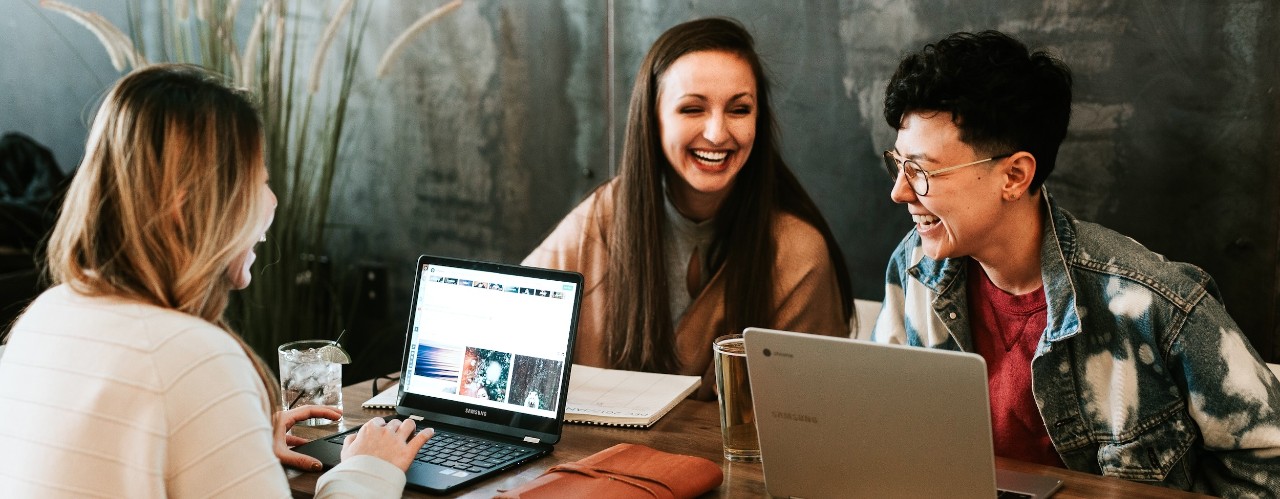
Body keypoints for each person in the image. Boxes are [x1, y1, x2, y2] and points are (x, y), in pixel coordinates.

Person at [871, 31, 1280, 495]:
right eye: (898, 164)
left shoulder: (1154, 305)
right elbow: (882, 422)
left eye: (921, 171)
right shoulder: (914, 266)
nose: (899, 192)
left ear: (1014, 175)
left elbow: (1270, 465)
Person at [0, 64, 433, 497]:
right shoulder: (192, 357)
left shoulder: (44, 316)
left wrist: (234, 440)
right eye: (258, 182)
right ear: (189, 207)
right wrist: (367, 469)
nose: (272, 201)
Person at [523, 17, 852, 400]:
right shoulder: (602, 217)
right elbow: (508, 322)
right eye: (693, 109)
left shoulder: (798, 252)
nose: (717, 133)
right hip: (593, 459)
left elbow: (811, 416)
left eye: (739, 110)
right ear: (653, 119)